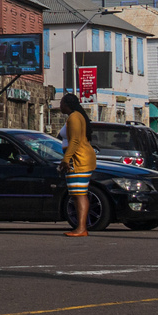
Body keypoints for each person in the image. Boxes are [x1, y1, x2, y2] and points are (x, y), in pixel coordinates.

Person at [61, 92, 97, 236]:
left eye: (62, 103)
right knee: (77, 194)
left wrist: (66, 159)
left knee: (79, 194)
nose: (60, 106)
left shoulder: (74, 117)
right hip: (79, 158)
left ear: (67, 104)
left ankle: (81, 228)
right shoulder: (76, 116)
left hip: (79, 160)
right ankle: (80, 226)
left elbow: (74, 141)